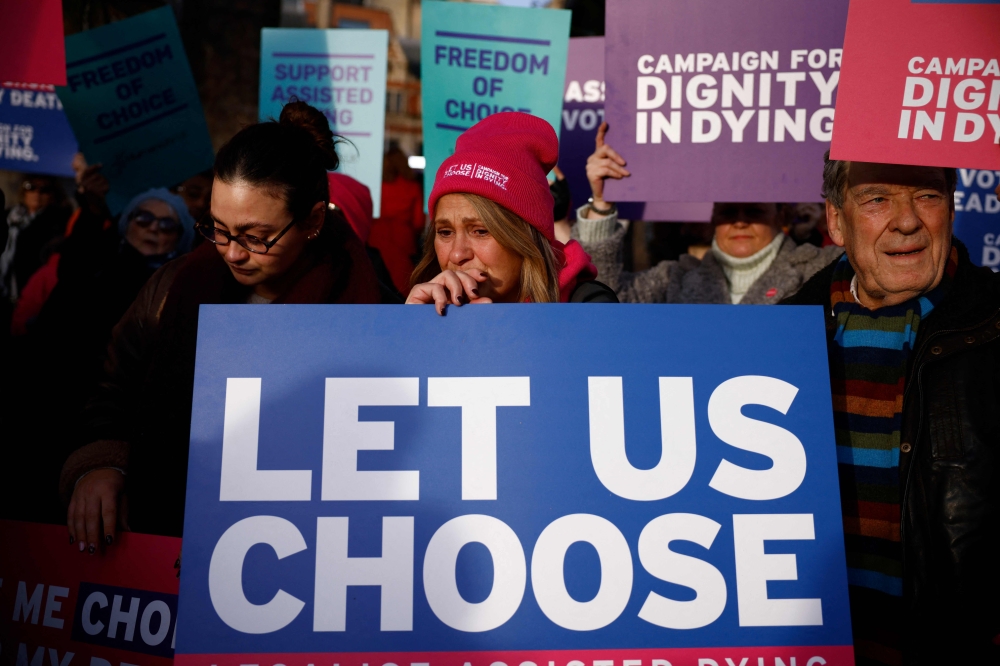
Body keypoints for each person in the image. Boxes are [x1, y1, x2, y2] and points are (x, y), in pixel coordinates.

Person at [60, 100, 390, 545]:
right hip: (163, 544)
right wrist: (101, 462)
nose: (232, 252)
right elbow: (113, 389)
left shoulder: (372, 310)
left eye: (256, 237)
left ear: (312, 220)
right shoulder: (176, 286)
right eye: (218, 228)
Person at [783, 153, 1000, 663]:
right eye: (877, 199)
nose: (907, 221)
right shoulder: (779, 336)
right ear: (836, 220)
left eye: (927, 195)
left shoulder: (994, 326)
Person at [578, 122, 842, 303]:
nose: (739, 222)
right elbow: (606, 298)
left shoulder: (822, 268)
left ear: (782, 216)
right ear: (714, 219)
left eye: (754, 211)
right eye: (727, 212)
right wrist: (601, 200)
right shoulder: (677, 277)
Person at [406, 112, 617, 313]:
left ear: (526, 237)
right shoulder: (431, 307)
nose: (457, 254)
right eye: (444, 232)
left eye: (480, 231)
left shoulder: (589, 308)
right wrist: (415, 331)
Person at [1, 176, 71, 304]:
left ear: (54, 194)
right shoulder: (9, 216)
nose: (37, 193)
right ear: (23, 190)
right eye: (31, 187)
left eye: (45, 189)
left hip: (31, 291)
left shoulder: (59, 221)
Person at [370, 146, 425, 294]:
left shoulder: (378, 187)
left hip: (377, 239)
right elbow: (419, 222)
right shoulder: (413, 187)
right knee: (404, 287)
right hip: (405, 242)